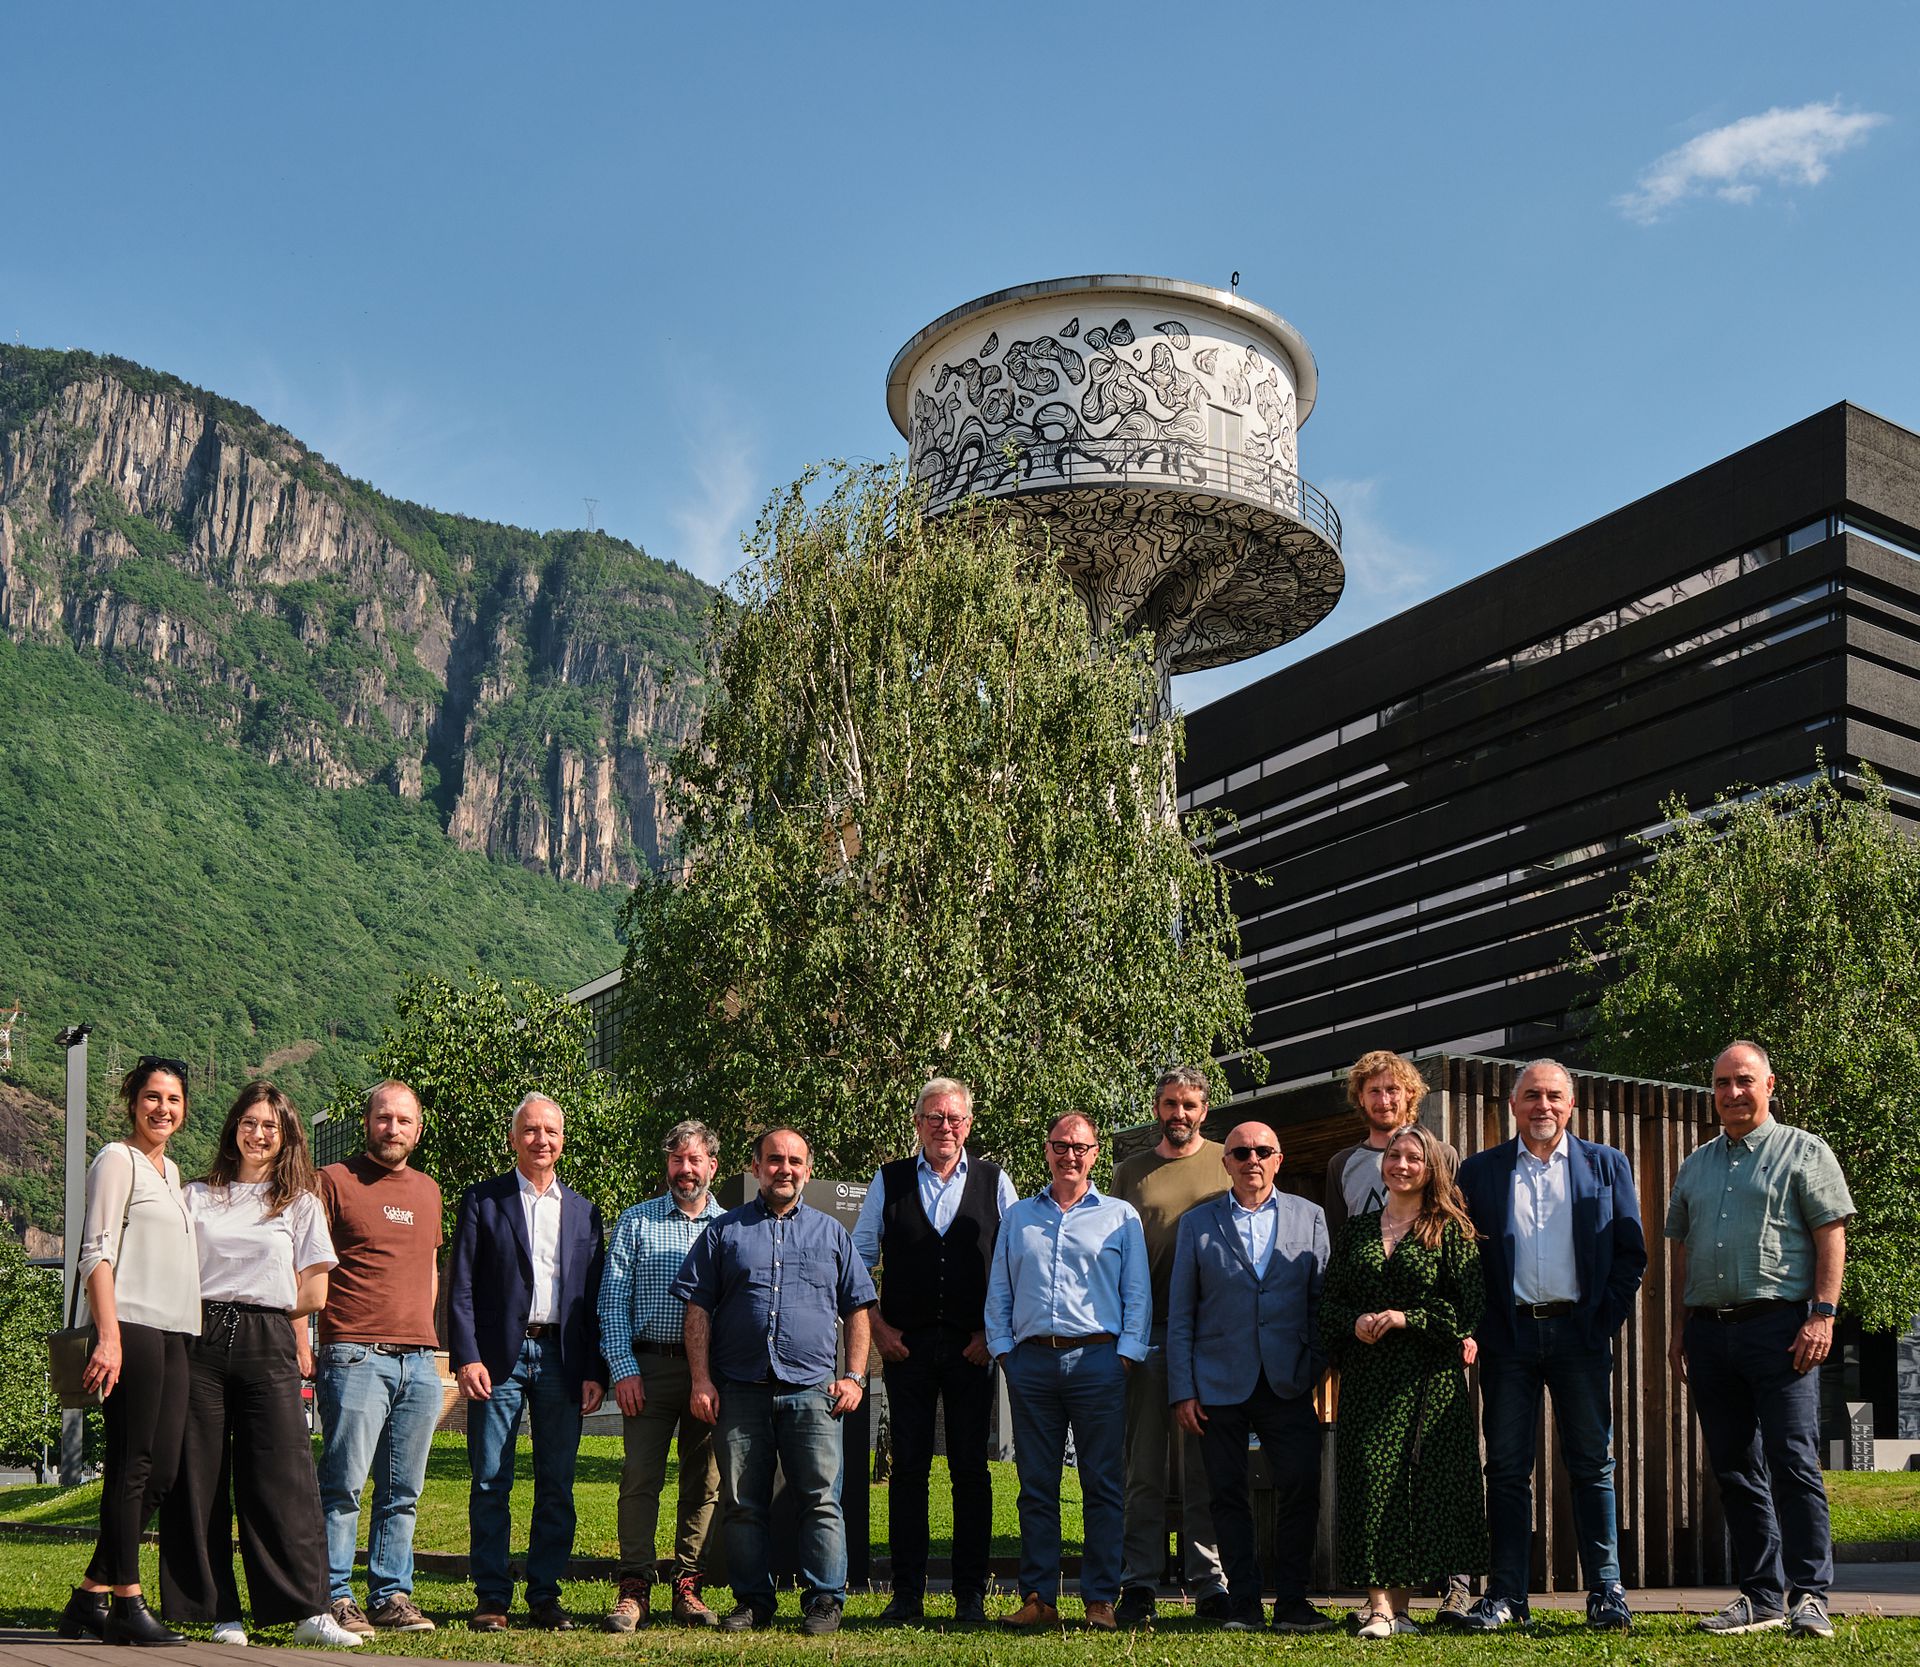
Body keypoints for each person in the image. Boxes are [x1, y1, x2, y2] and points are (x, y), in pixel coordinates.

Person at [158, 1081, 361, 1648]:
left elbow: (315, 1292)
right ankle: (217, 1610)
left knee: (282, 1476)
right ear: (233, 1129)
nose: (258, 1133)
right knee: (198, 1476)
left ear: (286, 1135)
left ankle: (306, 1611)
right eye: (249, 1122)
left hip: (268, 1334)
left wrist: (258, 1300)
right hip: (197, 1335)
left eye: (270, 1125)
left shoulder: (300, 1203)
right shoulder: (197, 1195)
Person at [1667, 1040, 1855, 1640]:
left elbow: (1831, 1234)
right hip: (1709, 1333)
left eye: (1744, 1080)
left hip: (1782, 1330)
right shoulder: (1695, 1165)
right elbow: (1682, 1250)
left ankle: (1811, 1595)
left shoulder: (1805, 1151)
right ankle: (1761, 1597)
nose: (1732, 1093)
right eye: (1722, 1083)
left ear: (1769, 1085)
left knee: (1792, 1462)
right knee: (1734, 1469)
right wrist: (1679, 1330)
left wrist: (1822, 1316)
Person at [1453, 1061, 1646, 1633]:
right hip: (1508, 1338)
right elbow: (1464, 1259)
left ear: (1571, 1105)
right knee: (1506, 1469)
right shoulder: (1480, 1171)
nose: (1543, 1105)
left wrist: (1602, 1320)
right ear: (1513, 1105)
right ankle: (1507, 1595)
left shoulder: (1606, 1165)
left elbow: (1630, 1252)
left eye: (1554, 1096)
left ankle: (1606, 1591)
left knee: (1592, 1464)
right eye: (1532, 1095)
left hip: (1579, 1335)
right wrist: (1481, 1325)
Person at [672, 1127, 875, 1636]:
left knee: (821, 1501)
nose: (785, 1169)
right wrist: (701, 1379)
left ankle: (825, 1600)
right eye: (775, 1160)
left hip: (812, 1391)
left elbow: (858, 1308)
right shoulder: (724, 1232)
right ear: (757, 1167)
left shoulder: (832, 1234)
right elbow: (697, 1309)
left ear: (808, 1169)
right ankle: (753, 1602)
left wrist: (854, 1376)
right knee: (743, 1505)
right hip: (740, 1389)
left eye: (794, 1161)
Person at [853, 1078, 1016, 1626]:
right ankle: (906, 1594)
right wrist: (877, 1328)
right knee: (908, 1471)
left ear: (968, 1125)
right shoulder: (890, 1179)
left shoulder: (995, 1181)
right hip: (907, 1347)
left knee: (971, 1470)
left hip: (973, 1348)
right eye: (934, 1117)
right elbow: (858, 1261)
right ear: (918, 1123)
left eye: (954, 1118)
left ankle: (970, 1595)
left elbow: (1016, 1263)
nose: (945, 1127)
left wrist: (992, 1334)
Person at [446, 1092, 609, 1632]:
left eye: (551, 1131)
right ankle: (492, 1597)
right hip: (499, 1360)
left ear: (562, 1141)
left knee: (557, 1483)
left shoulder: (584, 1211)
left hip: (563, 1358)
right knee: (490, 1480)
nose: (542, 1140)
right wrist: (466, 1356)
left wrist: (595, 1369)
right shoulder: (483, 1200)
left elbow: (593, 1297)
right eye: (531, 1130)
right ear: (514, 1138)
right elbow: (461, 1285)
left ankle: (545, 1595)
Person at [985, 1113, 1150, 1633]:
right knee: (1036, 1486)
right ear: (1047, 1150)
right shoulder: (1018, 1217)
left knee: (1103, 1485)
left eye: (1080, 1147)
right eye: (1061, 1145)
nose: (1070, 1155)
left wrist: (1125, 1356)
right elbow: (1000, 1290)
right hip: (1031, 1363)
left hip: (1099, 1362)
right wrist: (1005, 1352)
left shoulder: (1120, 1215)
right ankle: (1039, 1597)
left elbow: (1137, 1293)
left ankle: (1100, 1599)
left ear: (1095, 1153)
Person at [1166, 1122, 1333, 1635]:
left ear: (1279, 1159)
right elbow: (1181, 1313)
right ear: (1226, 1163)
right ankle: (1243, 1603)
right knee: (1226, 1494)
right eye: (1241, 1152)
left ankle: (1292, 1601)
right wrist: (1183, 1389)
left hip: (1288, 1379)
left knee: (1300, 1485)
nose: (1252, 1160)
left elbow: (1322, 1302)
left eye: (1262, 1151)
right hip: (1218, 1383)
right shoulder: (1197, 1224)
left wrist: (1313, 1366)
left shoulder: (1310, 1216)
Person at [57, 1056, 202, 1647]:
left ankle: (89, 1596)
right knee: (132, 1465)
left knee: (161, 1473)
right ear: (132, 1102)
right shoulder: (116, 1160)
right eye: (152, 1097)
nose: (163, 1108)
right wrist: (110, 1335)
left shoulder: (171, 1173)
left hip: (176, 1332)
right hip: (133, 1326)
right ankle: (126, 1603)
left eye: (173, 1099)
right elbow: (96, 1252)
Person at [1321, 1123, 1486, 1639]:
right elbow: (1328, 1304)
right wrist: (1354, 1322)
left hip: (1427, 1381)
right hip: (1368, 1378)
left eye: (1414, 1157)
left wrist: (1406, 1317)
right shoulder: (1356, 1232)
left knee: (1415, 1489)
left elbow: (1467, 1310)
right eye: (1394, 1156)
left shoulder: (1451, 1230)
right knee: (1370, 1485)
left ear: (1431, 1167)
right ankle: (1379, 1609)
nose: (1402, 1165)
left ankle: (1404, 1608)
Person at [314, 1080, 443, 1637]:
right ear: (366, 1122)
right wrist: (305, 1338)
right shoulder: (332, 1181)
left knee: (403, 1492)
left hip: (419, 1361)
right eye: (384, 1118)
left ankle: (390, 1595)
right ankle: (333, 1595)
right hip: (354, 1354)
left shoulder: (429, 1190)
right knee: (344, 1485)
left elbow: (429, 1268)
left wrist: (424, 1338)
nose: (393, 1128)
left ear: (419, 1129)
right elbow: (305, 1262)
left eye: (404, 1120)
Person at [597, 1119, 727, 1631]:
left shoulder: (730, 1227)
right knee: (639, 1479)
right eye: (677, 1160)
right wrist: (624, 1369)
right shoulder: (637, 1221)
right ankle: (634, 1587)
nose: (685, 1169)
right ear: (667, 1165)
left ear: (712, 1165)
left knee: (704, 1481)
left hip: (708, 1375)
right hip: (647, 1370)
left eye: (694, 1160)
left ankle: (688, 1586)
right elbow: (612, 1302)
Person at [1111, 1067, 1229, 1627]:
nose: (1178, 1113)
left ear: (1204, 1109)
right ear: (1157, 1107)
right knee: (1143, 1467)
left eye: (1189, 1104)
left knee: (1205, 1466)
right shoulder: (1130, 1172)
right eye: (1169, 1103)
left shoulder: (1230, 1160)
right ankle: (1139, 1581)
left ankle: (1210, 1582)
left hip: (1210, 1336)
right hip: (1148, 1332)